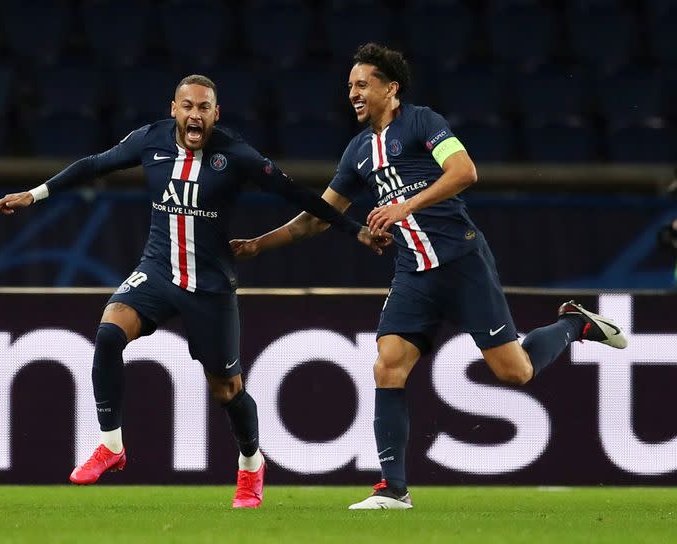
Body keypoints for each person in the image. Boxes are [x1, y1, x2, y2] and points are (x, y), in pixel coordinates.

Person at [230, 43, 628, 510]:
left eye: (362, 84)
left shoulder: (423, 122)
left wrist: (405, 206)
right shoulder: (358, 152)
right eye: (350, 87)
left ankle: (572, 325)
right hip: (413, 273)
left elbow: (465, 171)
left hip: (462, 261)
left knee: (514, 372)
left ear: (391, 88)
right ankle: (394, 490)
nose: (353, 94)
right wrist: (259, 243)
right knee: (387, 365)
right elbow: (318, 218)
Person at [0, 74, 388, 508]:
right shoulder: (151, 141)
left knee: (227, 391)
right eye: (187, 106)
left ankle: (252, 466)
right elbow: (94, 164)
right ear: (173, 110)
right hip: (158, 272)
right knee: (108, 334)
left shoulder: (236, 155)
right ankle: (111, 445)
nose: (194, 115)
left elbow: (297, 194)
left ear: (216, 115)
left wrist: (354, 229)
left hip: (211, 286)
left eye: (203, 108)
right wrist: (34, 194)